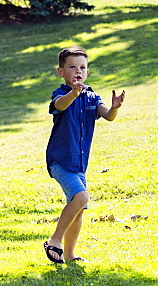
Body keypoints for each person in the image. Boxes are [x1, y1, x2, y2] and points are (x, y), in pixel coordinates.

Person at [43, 46, 125, 264]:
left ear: (87, 72)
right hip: (61, 160)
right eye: (72, 67)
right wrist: (73, 93)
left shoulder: (92, 96)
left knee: (78, 209)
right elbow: (60, 105)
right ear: (61, 71)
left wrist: (115, 107)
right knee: (81, 197)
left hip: (80, 162)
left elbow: (107, 115)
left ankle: (69, 255)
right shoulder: (61, 94)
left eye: (82, 67)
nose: (77, 71)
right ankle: (55, 240)